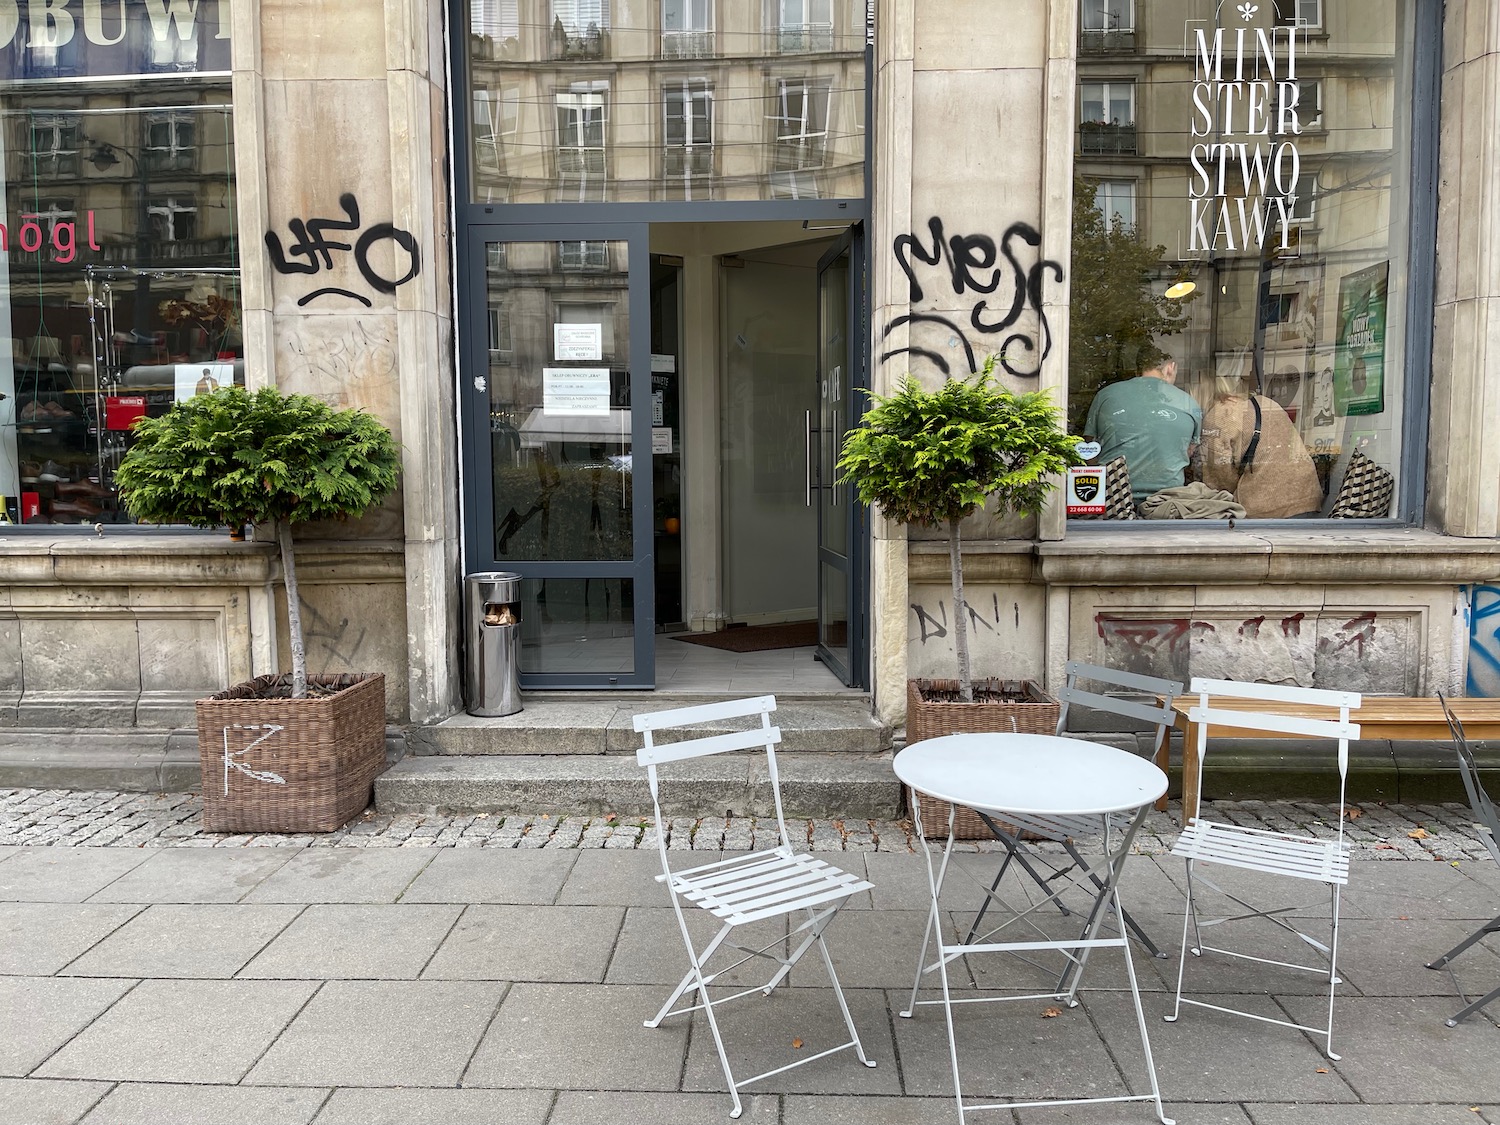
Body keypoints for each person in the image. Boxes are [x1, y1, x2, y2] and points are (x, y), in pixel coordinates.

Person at [1199, 372, 1324, 518]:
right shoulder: (1266, 403)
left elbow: (1219, 479)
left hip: (1266, 508)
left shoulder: (1218, 416)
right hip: (1307, 496)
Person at [1084, 354, 1202, 503]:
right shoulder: (1188, 403)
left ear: (1137, 369)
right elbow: (1190, 450)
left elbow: (1088, 448)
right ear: (1170, 368)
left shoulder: (1106, 395)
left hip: (1113, 499)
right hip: (1167, 501)